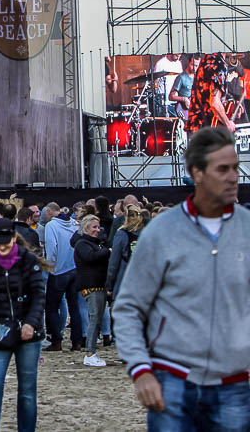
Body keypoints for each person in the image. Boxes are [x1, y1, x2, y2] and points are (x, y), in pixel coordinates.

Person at [115, 126, 250, 428]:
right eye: (223, 169)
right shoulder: (162, 232)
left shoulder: (247, 230)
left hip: (234, 385)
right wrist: (140, 369)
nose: (233, 177)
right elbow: (129, 307)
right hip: (171, 380)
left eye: (236, 168)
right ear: (197, 173)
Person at [0, 219, 46, 432]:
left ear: (14, 238)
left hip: (28, 331)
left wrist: (31, 323)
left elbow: (39, 294)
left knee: (27, 390)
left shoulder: (28, 260)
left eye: (6, 244)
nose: (2, 248)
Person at [71, 214, 111, 367]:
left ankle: (91, 351)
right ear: (85, 228)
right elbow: (90, 258)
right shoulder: (82, 244)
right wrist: (108, 251)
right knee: (94, 319)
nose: (97, 230)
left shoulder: (95, 243)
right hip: (91, 285)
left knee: (97, 319)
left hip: (98, 285)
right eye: (94, 227)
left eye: (98, 227)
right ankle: (89, 352)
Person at [43, 204, 82, 351]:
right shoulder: (74, 224)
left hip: (58, 271)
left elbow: (51, 248)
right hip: (74, 268)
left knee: (52, 307)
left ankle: (56, 341)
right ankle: (77, 342)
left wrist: (50, 267)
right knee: (74, 307)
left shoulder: (51, 226)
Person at [187, 52, 236, 134]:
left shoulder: (207, 60)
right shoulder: (219, 65)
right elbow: (214, 103)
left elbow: (207, 92)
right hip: (210, 126)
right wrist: (228, 123)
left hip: (197, 125)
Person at [105, 206, 145, 302]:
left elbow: (113, 263)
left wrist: (109, 285)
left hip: (125, 280)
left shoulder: (122, 234)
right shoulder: (147, 233)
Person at [169, 53, 202, 120]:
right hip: (185, 111)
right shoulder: (181, 77)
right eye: (193, 65)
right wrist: (184, 99)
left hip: (196, 111)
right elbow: (171, 97)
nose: (195, 68)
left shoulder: (198, 77)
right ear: (189, 62)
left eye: (197, 66)